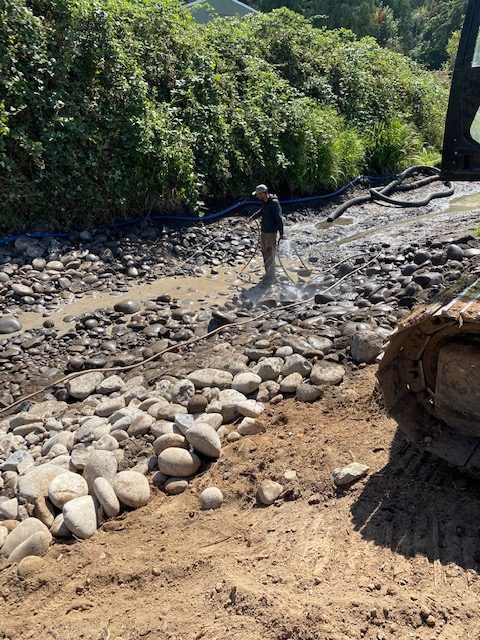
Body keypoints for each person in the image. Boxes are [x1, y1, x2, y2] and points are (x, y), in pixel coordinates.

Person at [251, 184, 284, 284]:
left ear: (263, 194)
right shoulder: (264, 202)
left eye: (258, 194)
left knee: (270, 254)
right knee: (264, 252)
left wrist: (281, 233)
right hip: (264, 231)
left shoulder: (274, 203)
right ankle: (268, 274)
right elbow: (262, 211)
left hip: (271, 233)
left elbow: (279, 219)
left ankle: (271, 277)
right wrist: (253, 217)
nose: (257, 196)